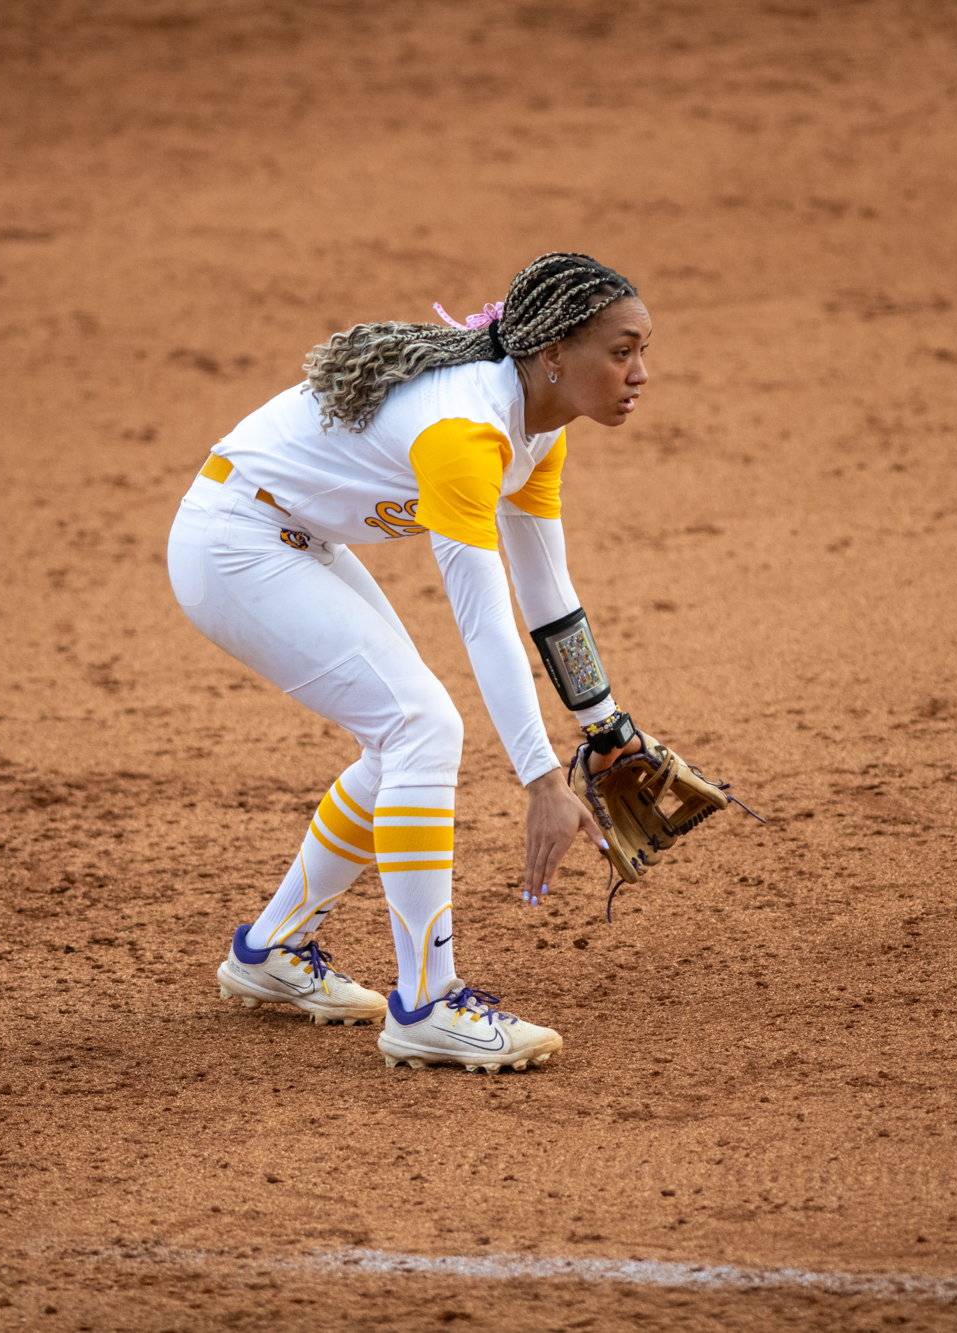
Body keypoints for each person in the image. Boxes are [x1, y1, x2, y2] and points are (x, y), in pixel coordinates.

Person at [167, 252, 653, 1072]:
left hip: (291, 534)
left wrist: (604, 725)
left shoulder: (537, 428)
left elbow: (545, 591)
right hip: (232, 542)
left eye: (643, 351)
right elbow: (483, 615)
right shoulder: (466, 433)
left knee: (404, 733)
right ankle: (427, 1003)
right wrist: (540, 777)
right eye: (622, 351)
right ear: (553, 355)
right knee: (422, 725)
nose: (640, 373)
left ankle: (270, 951)